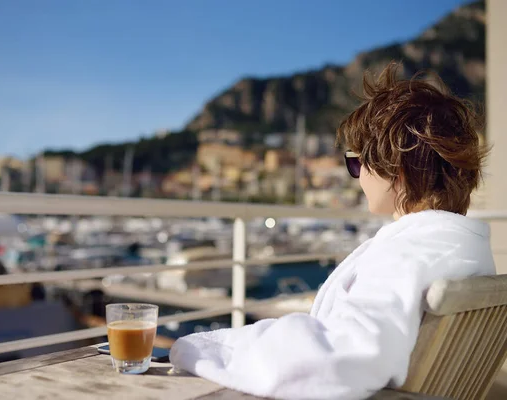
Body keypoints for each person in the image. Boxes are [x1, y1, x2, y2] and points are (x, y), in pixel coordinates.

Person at [169, 63, 494, 400]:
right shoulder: (463, 248)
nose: (357, 177)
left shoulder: (410, 255)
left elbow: (341, 360)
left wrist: (204, 347)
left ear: (395, 168)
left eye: (355, 162)